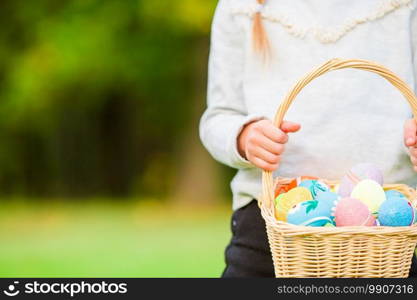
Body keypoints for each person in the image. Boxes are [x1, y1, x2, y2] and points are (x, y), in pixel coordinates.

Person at [200, 0, 417, 277]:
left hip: (383, 230)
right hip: (270, 225)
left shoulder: (405, 5)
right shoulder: (240, 6)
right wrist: (245, 136)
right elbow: (218, 117)